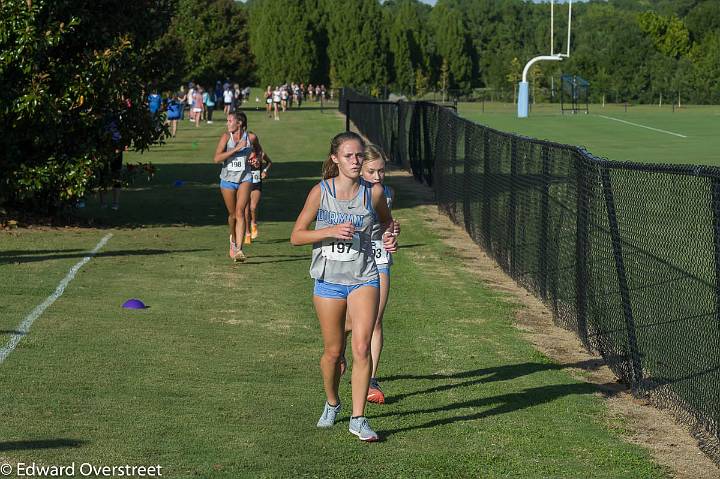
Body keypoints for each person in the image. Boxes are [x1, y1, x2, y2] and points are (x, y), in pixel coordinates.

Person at [290, 131, 400, 442]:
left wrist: (390, 236)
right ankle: (332, 402)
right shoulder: (320, 192)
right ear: (335, 159)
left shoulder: (373, 193)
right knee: (333, 352)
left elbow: (386, 224)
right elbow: (296, 235)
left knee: (362, 347)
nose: (356, 160)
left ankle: (358, 418)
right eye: (349, 155)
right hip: (328, 281)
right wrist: (329, 231)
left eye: (359, 155)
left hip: (365, 277)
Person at [344, 144, 395, 404]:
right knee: (349, 323)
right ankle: (340, 353)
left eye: (382, 171)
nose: (378, 177)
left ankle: (371, 380)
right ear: (360, 169)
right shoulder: (346, 191)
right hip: (352, 256)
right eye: (372, 171)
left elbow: (388, 224)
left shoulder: (386, 193)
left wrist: (391, 235)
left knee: (375, 319)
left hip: (379, 256)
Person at [214, 112, 262, 262]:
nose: (227, 123)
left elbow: (259, 151)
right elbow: (216, 158)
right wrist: (236, 149)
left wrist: (256, 160)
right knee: (233, 215)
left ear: (239, 123)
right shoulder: (225, 137)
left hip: (245, 178)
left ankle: (239, 250)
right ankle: (233, 241)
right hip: (227, 180)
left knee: (241, 212)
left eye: (230, 121)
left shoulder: (251, 137)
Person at [243, 150, 272, 244]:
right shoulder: (243, 154)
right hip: (245, 185)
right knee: (246, 211)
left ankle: (254, 223)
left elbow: (269, 162)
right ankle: (247, 234)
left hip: (256, 184)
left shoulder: (261, 154)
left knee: (253, 207)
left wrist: (265, 171)